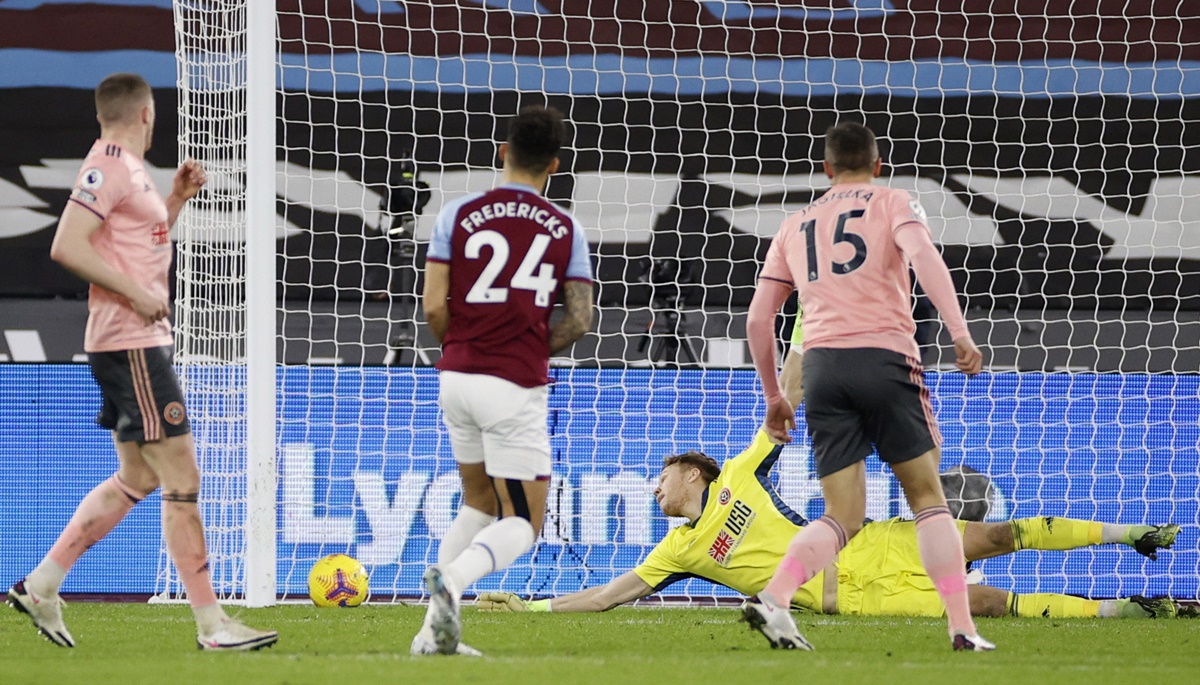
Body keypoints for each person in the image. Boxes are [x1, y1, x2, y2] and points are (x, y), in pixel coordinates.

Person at [6, 73, 277, 651]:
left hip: (129, 341)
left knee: (140, 477)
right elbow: (66, 244)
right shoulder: (105, 166)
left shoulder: (130, 172)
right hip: (131, 343)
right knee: (184, 478)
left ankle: (43, 584)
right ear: (148, 114)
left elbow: (132, 246)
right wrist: (133, 292)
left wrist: (174, 200)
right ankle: (212, 625)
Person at [475, 426, 1181, 621]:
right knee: (991, 604)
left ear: (692, 472)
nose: (652, 486)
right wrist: (529, 602)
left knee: (999, 535)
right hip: (861, 597)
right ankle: (1135, 609)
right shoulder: (677, 549)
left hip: (876, 540)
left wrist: (810, 320)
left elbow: (783, 399)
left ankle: (1131, 534)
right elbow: (605, 596)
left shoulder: (742, 474)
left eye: (660, 474)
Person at [743, 121, 991, 650]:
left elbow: (759, 319)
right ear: (878, 166)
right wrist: (960, 332)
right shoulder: (893, 202)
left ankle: (775, 597)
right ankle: (962, 628)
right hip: (885, 358)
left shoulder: (795, 224)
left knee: (843, 515)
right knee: (928, 499)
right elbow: (925, 259)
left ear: (827, 169)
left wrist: (774, 397)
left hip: (823, 369)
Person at [413, 105, 595, 657]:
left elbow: (433, 307)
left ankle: (430, 636)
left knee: (477, 501)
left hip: (457, 376)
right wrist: (522, 351)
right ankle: (457, 581)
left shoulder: (457, 214)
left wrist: (465, 345)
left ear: (503, 152)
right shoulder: (566, 227)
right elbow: (581, 318)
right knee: (523, 522)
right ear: (556, 165)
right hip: (512, 384)